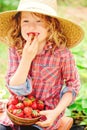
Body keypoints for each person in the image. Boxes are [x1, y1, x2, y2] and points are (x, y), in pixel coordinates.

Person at [0, 0, 84, 130]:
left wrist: (56, 112)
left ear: (50, 25)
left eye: (38, 21)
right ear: (19, 24)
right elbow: (14, 88)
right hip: (16, 112)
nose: (31, 27)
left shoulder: (61, 53)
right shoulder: (15, 48)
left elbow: (72, 85)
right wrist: (26, 58)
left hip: (45, 115)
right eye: (25, 21)